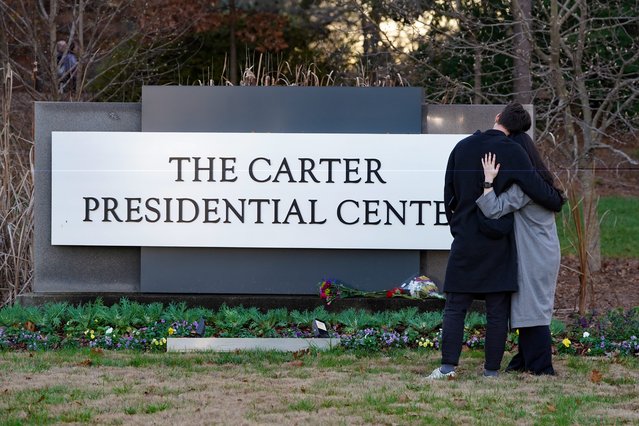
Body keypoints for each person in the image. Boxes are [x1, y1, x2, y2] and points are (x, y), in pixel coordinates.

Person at [428, 103, 564, 380]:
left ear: (498, 117)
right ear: (519, 131)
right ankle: (491, 372)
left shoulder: (462, 147)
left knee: (455, 307)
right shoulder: (515, 152)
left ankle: (447, 368)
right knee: (497, 312)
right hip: (499, 243)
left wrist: (457, 227)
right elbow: (541, 192)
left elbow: (448, 192)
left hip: (466, 240)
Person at [477, 132, 561, 375]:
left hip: (536, 256)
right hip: (542, 253)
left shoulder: (525, 188)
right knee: (531, 306)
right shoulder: (537, 181)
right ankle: (525, 359)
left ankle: (540, 366)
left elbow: (493, 209)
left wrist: (488, 181)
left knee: (532, 308)